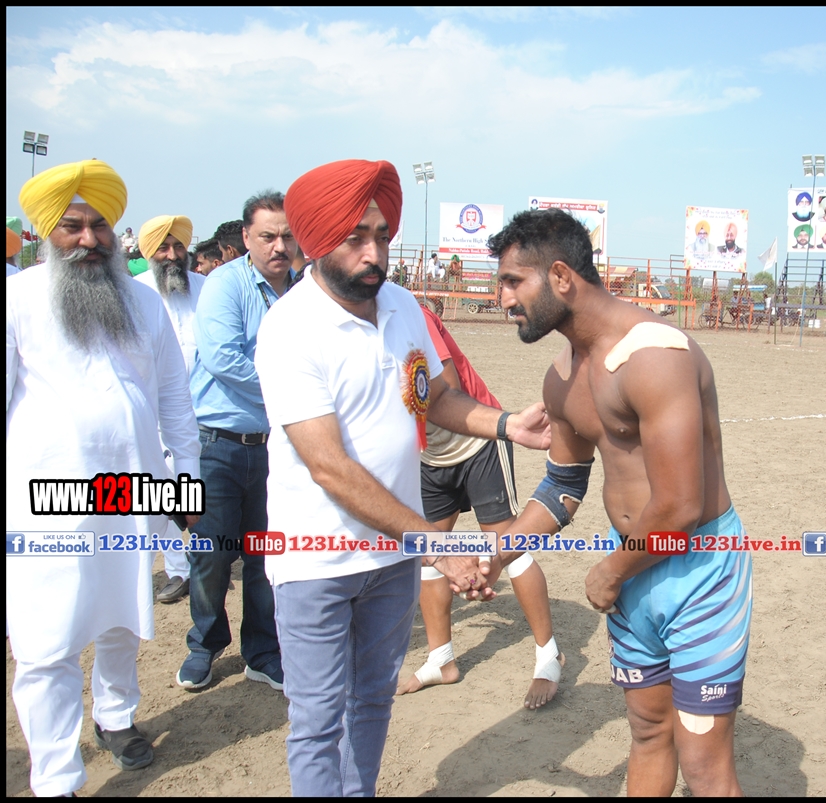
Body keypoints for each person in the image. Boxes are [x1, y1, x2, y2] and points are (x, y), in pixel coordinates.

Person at [254, 159, 551, 796]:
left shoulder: (402, 306)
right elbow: (330, 468)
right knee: (316, 721)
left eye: (382, 236)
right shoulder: (289, 329)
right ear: (316, 241)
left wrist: (507, 426)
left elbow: (435, 397)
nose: (374, 253)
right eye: (356, 238)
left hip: (391, 560)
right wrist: (435, 547)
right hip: (317, 561)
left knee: (371, 701)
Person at [484, 208, 753, 796]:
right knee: (648, 730)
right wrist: (496, 554)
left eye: (512, 282)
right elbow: (561, 488)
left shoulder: (656, 353)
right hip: (630, 569)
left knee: (704, 763)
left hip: (698, 570)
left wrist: (611, 571)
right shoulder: (562, 377)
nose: (501, 298)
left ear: (560, 277)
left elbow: (680, 506)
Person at [8, 159, 201, 796]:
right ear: (46, 234)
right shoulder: (16, 299)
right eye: (73, 227)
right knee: (48, 636)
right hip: (44, 498)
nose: (89, 239)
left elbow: (174, 398)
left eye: (99, 226)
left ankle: (116, 716)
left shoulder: (144, 301)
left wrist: (187, 480)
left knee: (123, 612)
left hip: (133, 488)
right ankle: (56, 776)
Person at [397, 305, 564, 709]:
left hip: (477, 441)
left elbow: (446, 390)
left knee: (507, 545)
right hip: (430, 455)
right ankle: (441, 660)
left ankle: (549, 654)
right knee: (430, 552)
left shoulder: (407, 314)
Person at [178, 191, 295, 692]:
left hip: (277, 446)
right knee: (211, 553)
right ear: (246, 238)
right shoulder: (223, 285)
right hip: (217, 446)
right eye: (268, 236)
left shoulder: (306, 291)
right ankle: (204, 643)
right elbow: (224, 359)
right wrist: (293, 391)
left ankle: (262, 651)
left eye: (287, 236)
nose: (279, 246)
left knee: (266, 554)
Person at [134, 214, 207, 604]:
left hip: (202, 413)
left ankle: (198, 566)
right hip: (152, 416)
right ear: (149, 252)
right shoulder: (135, 294)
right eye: (163, 247)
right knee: (159, 496)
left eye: (178, 246)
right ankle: (178, 570)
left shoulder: (206, 290)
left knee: (194, 492)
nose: (173, 254)